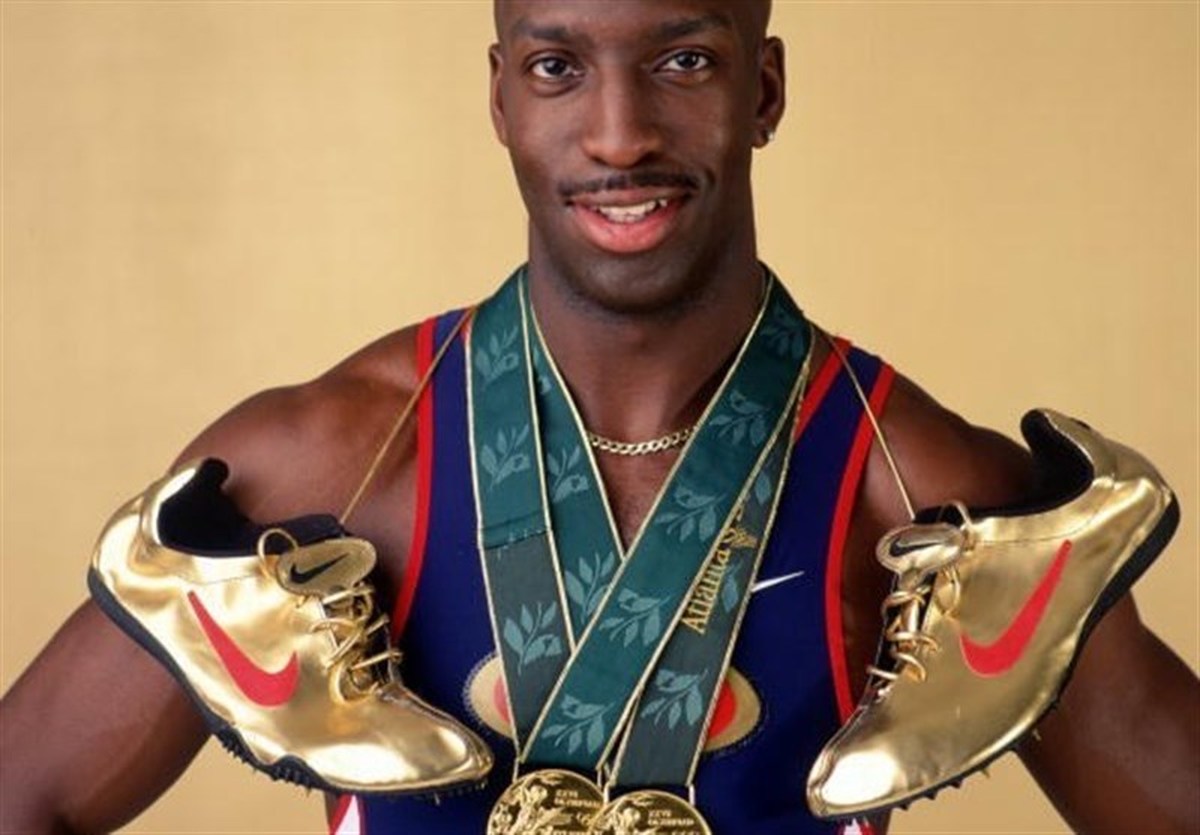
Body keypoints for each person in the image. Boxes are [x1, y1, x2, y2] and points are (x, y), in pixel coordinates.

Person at [1, 1, 1196, 833]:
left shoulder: (925, 497)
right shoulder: (328, 465)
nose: (620, 134)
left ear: (765, 89)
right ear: (500, 97)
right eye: (557, 67)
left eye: (684, 60)